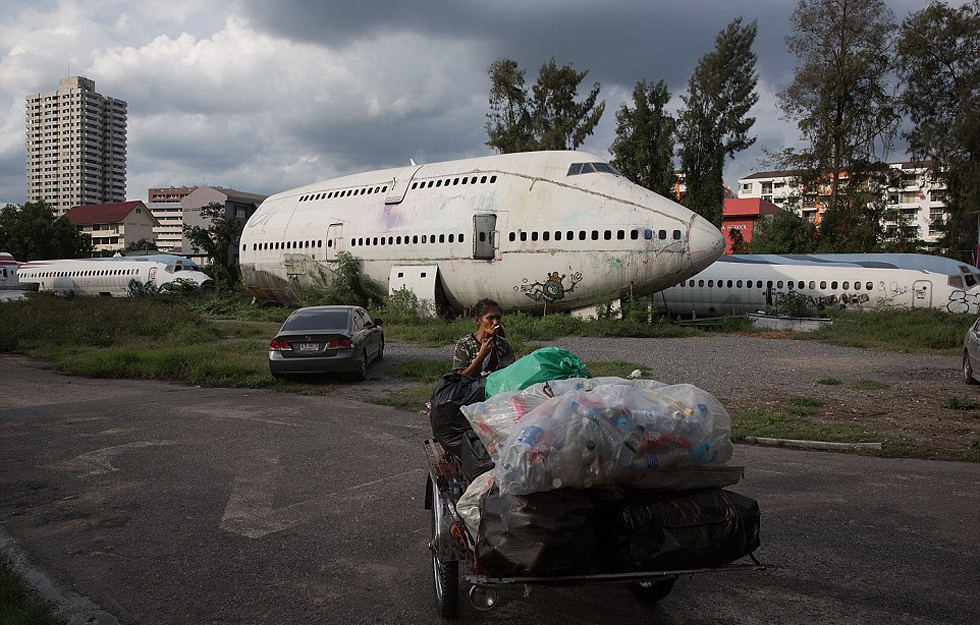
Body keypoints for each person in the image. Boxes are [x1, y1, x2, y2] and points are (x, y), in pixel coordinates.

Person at [452, 298, 516, 379]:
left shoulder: (503, 344)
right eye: (490, 318)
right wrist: (481, 356)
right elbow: (460, 379)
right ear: (478, 320)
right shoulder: (464, 344)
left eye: (498, 318)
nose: (495, 322)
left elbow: (512, 373)